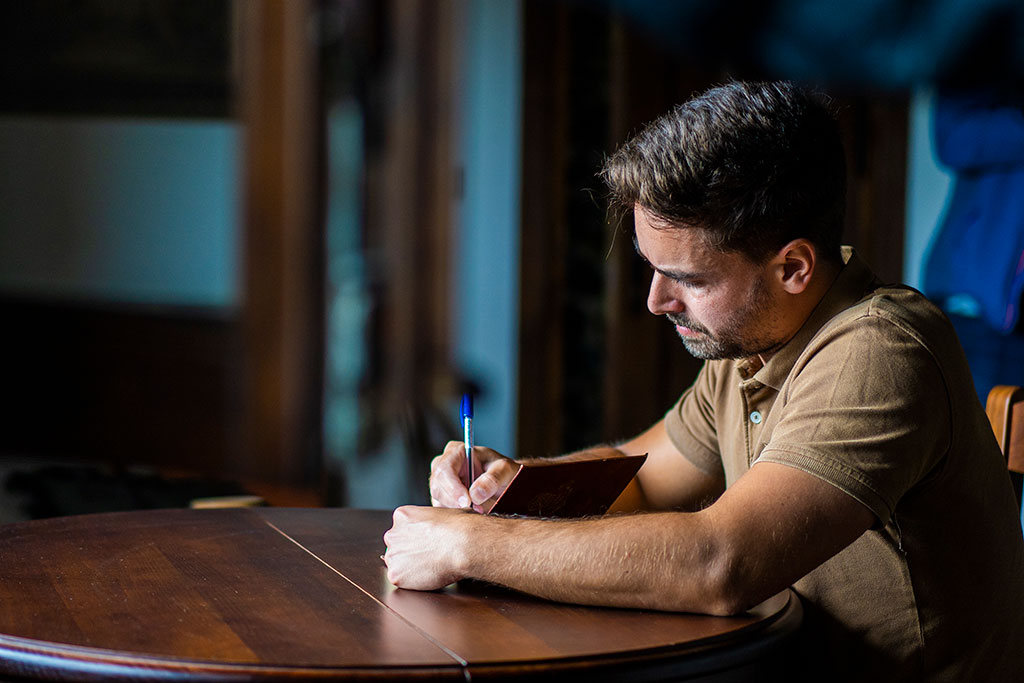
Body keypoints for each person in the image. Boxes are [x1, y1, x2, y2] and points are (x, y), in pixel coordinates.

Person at [382, 81, 1024, 681]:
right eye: (651, 268)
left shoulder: (878, 351)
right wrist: (512, 490)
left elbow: (721, 564)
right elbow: (640, 481)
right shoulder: (753, 339)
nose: (657, 301)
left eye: (688, 278)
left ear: (792, 267)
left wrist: (471, 545)